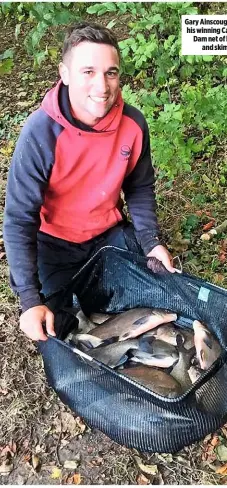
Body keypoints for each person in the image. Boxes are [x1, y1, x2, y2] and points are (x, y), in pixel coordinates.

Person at [3, 22, 180, 342]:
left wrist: (151, 241)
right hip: (54, 245)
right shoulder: (40, 133)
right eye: (88, 71)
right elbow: (19, 218)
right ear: (65, 73)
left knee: (159, 286)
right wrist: (29, 299)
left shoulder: (134, 124)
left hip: (108, 235)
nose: (102, 86)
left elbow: (139, 188)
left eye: (110, 72)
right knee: (57, 324)